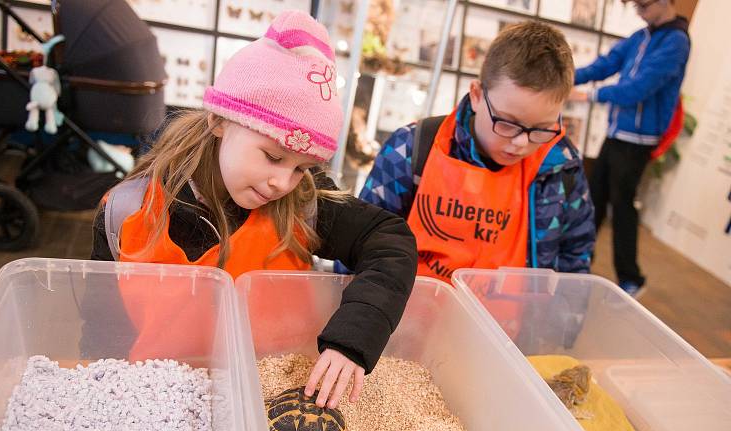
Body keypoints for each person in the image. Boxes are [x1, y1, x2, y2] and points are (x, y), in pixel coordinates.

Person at [90, 11, 417, 410]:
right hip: (160, 402)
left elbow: (390, 240)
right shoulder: (125, 211)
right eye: (272, 156)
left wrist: (354, 339)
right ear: (219, 121)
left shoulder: (305, 204)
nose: (283, 182)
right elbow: (100, 329)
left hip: (273, 399)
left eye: (302, 167)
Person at [359, 22, 595, 282]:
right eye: (507, 122)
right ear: (477, 95)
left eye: (541, 129)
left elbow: (576, 261)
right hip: (413, 315)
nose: (521, 143)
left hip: (512, 320)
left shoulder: (563, 165)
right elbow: (361, 243)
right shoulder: (411, 149)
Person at [571, 0, 690, 298]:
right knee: (594, 198)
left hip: (638, 141)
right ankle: (578, 262)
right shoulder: (641, 36)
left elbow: (641, 86)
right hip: (617, 134)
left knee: (621, 206)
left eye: (643, 5)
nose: (638, 12)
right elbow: (606, 64)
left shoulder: (676, 42)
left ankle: (631, 277)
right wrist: (564, 76)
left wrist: (589, 95)